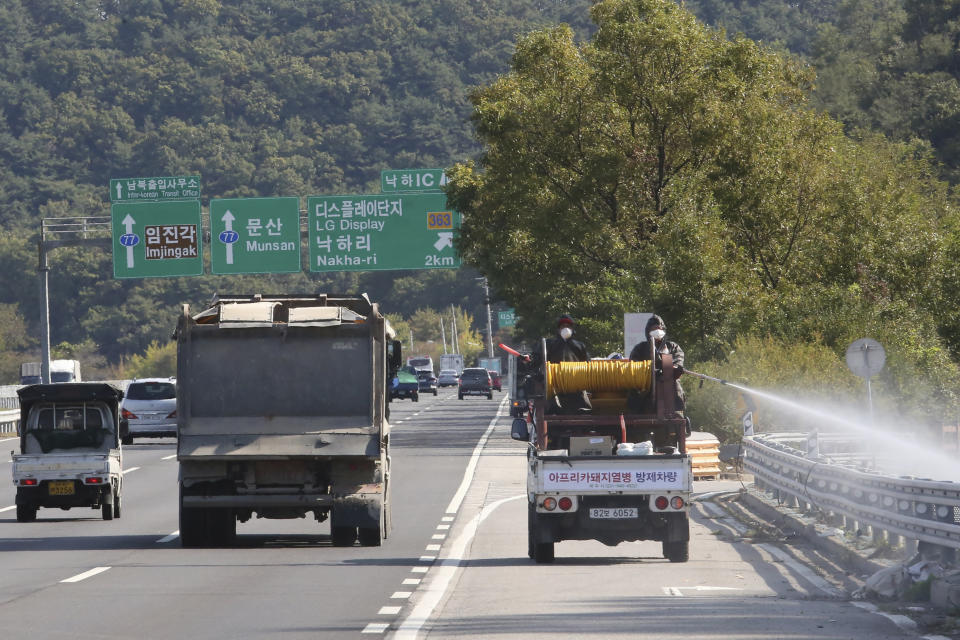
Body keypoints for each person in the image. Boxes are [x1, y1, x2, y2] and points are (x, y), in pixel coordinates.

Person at [530, 314, 591, 413]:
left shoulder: (579, 346)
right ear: (558, 329)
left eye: (568, 326)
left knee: (584, 407)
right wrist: (531, 361)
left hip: (577, 385)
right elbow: (537, 359)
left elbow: (588, 365)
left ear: (572, 329)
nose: (565, 328)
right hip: (555, 385)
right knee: (553, 407)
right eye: (563, 326)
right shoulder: (549, 344)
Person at [628, 314, 685, 413]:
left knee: (675, 385)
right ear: (648, 331)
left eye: (659, 328)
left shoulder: (672, 346)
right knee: (634, 390)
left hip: (667, 381)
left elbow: (678, 359)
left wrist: (675, 367)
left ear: (663, 330)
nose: (657, 331)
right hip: (645, 382)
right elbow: (633, 364)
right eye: (654, 328)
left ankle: (677, 412)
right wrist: (645, 371)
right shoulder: (640, 348)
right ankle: (635, 414)